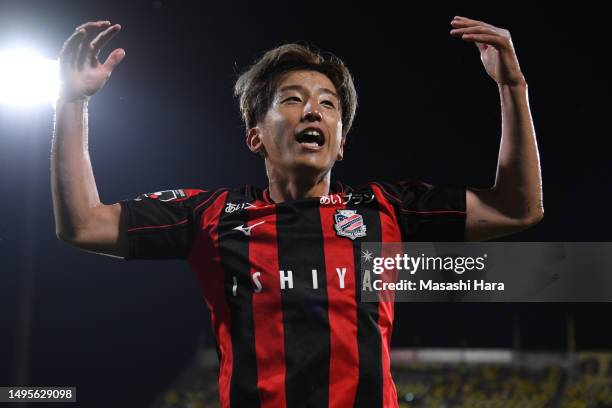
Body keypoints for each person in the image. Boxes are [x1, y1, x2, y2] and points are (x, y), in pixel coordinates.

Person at [51, 16, 543, 408]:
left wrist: (512, 88)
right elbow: (84, 224)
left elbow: (518, 208)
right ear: (255, 136)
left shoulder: (385, 208)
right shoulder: (211, 215)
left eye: (329, 105)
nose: (313, 111)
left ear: (341, 143)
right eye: (293, 100)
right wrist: (72, 100)